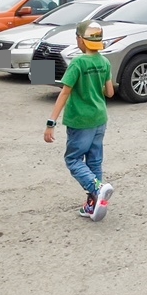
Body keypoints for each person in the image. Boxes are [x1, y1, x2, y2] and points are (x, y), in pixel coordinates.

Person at [44, 20, 115, 221]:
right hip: (100, 118)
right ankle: (93, 205)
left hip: (80, 120)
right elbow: (110, 92)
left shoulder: (78, 62)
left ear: (81, 41)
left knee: (73, 159)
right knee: (94, 160)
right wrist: (96, 85)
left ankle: (97, 188)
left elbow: (65, 92)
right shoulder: (105, 62)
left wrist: (51, 122)